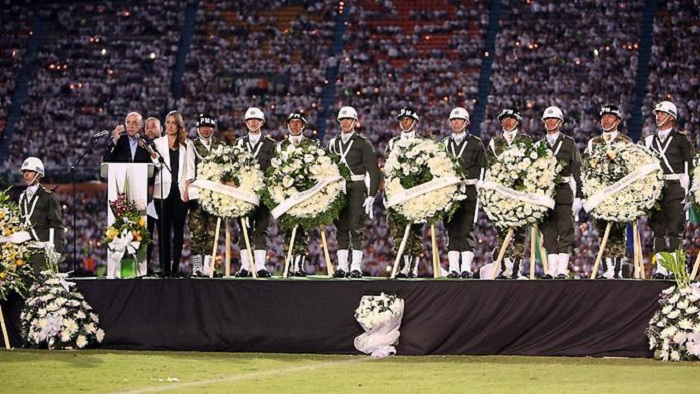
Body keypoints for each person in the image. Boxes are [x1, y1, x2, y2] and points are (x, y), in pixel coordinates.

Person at [642, 101, 695, 279]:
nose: (658, 116)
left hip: (676, 187)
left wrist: (689, 182)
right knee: (657, 229)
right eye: (657, 113)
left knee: (674, 229)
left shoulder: (681, 139)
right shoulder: (649, 140)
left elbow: (690, 163)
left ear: (672, 117)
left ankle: (674, 268)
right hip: (657, 188)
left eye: (662, 114)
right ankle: (661, 269)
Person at [327, 106, 380, 278]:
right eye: (342, 120)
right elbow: (326, 169)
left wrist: (372, 194)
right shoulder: (333, 143)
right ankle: (342, 267)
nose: (345, 123)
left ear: (355, 121)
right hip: (338, 188)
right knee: (341, 227)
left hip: (357, 188)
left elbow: (373, 170)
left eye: (349, 119)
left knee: (356, 227)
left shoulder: (363, 143)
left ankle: (355, 266)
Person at [584, 104, 633, 279]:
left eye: (610, 117)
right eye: (603, 117)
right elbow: (586, 168)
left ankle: (618, 269)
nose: (605, 120)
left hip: (619, 193)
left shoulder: (626, 142)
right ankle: (607, 269)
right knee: (602, 231)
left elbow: (630, 168)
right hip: (599, 193)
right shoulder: (593, 143)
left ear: (617, 121)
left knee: (618, 232)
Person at [441, 107, 487, 279]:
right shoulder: (444, 143)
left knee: (467, 229)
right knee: (452, 229)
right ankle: (454, 268)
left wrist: (480, 186)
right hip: (450, 192)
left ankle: (466, 268)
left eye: (459, 120)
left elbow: (483, 166)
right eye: (453, 120)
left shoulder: (475, 142)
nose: (456, 123)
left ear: (466, 123)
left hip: (469, 190)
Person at [486, 108, 531, 279]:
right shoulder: (494, 142)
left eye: (511, 119)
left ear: (517, 121)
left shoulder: (526, 141)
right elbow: (491, 167)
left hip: (520, 193)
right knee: (502, 231)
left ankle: (517, 268)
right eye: (504, 119)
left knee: (519, 232)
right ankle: (505, 267)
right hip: (501, 194)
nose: (507, 122)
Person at [538, 106, 582, 279]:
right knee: (548, 231)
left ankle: (562, 269)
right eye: (547, 119)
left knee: (565, 229)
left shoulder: (569, 143)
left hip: (563, 191)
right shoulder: (539, 145)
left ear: (560, 122)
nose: (549, 122)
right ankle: (550, 269)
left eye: (553, 119)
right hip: (546, 194)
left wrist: (580, 196)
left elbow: (578, 170)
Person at [385, 107, 428, 278]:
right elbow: (388, 168)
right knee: (397, 230)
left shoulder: (424, 143)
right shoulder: (393, 143)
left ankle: (414, 266)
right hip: (397, 192)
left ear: (415, 122)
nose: (404, 123)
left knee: (416, 231)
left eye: (408, 120)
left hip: (417, 191)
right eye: (402, 120)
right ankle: (403, 264)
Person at [150, 111, 194, 277]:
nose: (169, 126)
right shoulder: (157, 143)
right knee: (163, 231)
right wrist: (154, 157)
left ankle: (175, 267)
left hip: (181, 193)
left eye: (173, 123)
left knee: (179, 231)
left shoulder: (187, 144)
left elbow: (190, 170)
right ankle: (164, 267)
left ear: (179, 125)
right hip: (161, 192)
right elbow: (155, 166)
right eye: (167, 122)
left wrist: (187, 188)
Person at [276, 111, 318, 276]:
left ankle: (299, 265)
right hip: (286, 195)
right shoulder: (280, 146)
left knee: (302, 230)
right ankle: (289, 263)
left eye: (298, 123)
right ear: (287, 125)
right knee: (287, 229)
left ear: (303, 126)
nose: (295, 125)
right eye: (292, 122)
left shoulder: (311, 145)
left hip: (305, 194)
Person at [235, 107, 276, 277]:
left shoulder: (270, 144)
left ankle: (260, 266)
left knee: (261, 228)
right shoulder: (239, 143)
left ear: (262, 122)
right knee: (243, 229)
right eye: (250, 120)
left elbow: (274, 168)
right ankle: (245, 266)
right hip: (243, 193)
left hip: (262, 193)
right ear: (246, 123)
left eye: (256, 120)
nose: (253, 123)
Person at [188, 114, 227, 277]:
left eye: (209, 127)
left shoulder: (221, 146)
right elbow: (188, 170)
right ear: (198, 129)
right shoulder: (191, 145)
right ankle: (197, 267)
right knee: (196, 231)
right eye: (203, 127)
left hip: (215, 196)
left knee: (213, 232)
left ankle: (208, 267)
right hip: (197, 195)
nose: (206, 130)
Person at [18, 157, 65, 274]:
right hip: (24, 250)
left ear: (38, 174)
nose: (26, 174)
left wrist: (57, 251)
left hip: (41, 249)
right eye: (24, 172)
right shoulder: (22, 196)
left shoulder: (49, 196)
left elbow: (57, 225)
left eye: (29, 171)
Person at [143, 116, 162, 270]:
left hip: (164, 195)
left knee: (164, 234)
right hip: (146, 197)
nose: (149, 129)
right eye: (147, 127)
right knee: (146, 235)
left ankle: (165, 267)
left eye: (153, 126)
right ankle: (144, 266)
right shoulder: (141, 147)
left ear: (160, 129)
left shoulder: (166, 146)